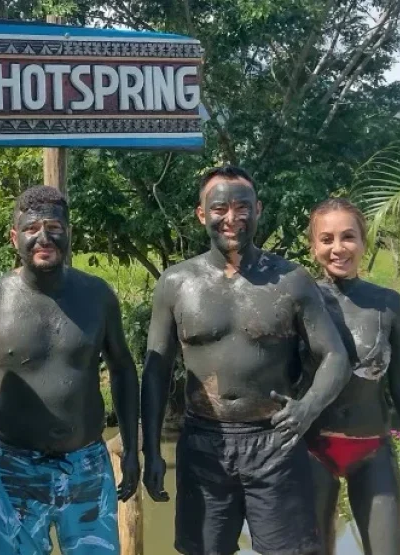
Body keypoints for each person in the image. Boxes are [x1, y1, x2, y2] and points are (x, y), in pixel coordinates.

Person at [140, 165, 351, 555]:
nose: (231, 218)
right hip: (204, 443)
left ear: (258, 209)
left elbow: (335, 357)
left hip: (276, 441)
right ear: (202, 214)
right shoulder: (176, 283)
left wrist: (307, 408)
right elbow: (156, 373)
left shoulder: (291, 280)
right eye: (219, 208)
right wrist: (151, 450)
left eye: (242, 207)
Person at [0, 185, 140, 555]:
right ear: (15, 237)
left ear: (69, 232)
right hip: (12, 470)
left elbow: (123, 368)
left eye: (53, 227)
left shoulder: (98, 296)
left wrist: (131, 449)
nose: (43, 238)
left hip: (87, 468)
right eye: (31, 229)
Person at [305, 198, 400, 555]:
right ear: (313, 245)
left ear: (364, 242)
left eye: (348, 237)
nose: (338, 248)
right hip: (312, 449)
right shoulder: (302, 300)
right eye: (326, 239)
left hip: (372, 446)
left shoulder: (387, 304)